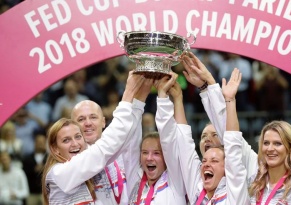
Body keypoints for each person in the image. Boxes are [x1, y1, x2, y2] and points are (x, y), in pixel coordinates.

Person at [182, 52, 291, 204]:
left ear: (290, 148)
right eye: (266, 143)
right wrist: (208, 86)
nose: (270, 148)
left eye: (277, 143)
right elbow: (229, 134)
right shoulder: (255, 175)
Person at [41, 71, 145, 205]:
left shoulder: (97, 159)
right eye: (66, 140)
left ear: (103, 121)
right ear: (55, 149)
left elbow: (123, 140)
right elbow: (105, 148)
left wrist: (139, 100)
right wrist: (128, 94)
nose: (75, 144)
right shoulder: (58, 173)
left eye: (77, 137)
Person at [170, 67, 250, 204]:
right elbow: (185, 147)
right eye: (204, 161)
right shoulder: (197, 188)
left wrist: (230, 100)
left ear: (227, 167)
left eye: (214, 161)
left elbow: (232, 141)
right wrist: (177, 98)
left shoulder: (234, 193)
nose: (206, 165)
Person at [70, 75, 152, 204]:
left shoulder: (120, 150)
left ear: (103, 122)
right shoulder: (73, 161)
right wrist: (129, 91)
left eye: (93, 117)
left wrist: (141, 97)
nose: (88, 123)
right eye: (81, 119)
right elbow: (108, 141)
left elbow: (132, 134)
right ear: (73, 127)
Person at [122, 72, 187, 205]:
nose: (149, 158)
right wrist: (142, 92)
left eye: (156, 153)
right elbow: (132, 139)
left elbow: (168, 137)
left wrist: (163, 96)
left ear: (166, 157)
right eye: (145, 152)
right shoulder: (136, 177)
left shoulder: (175, 180)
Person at [22, 130, 47, 205]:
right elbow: (24, 174)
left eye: (42, 142)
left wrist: (44, 169)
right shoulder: (27, 158)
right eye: (38, 142)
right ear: (34, 143)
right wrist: (34, 170)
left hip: (46, 193)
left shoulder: (50, 158)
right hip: (32, 193)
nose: (40, 144)